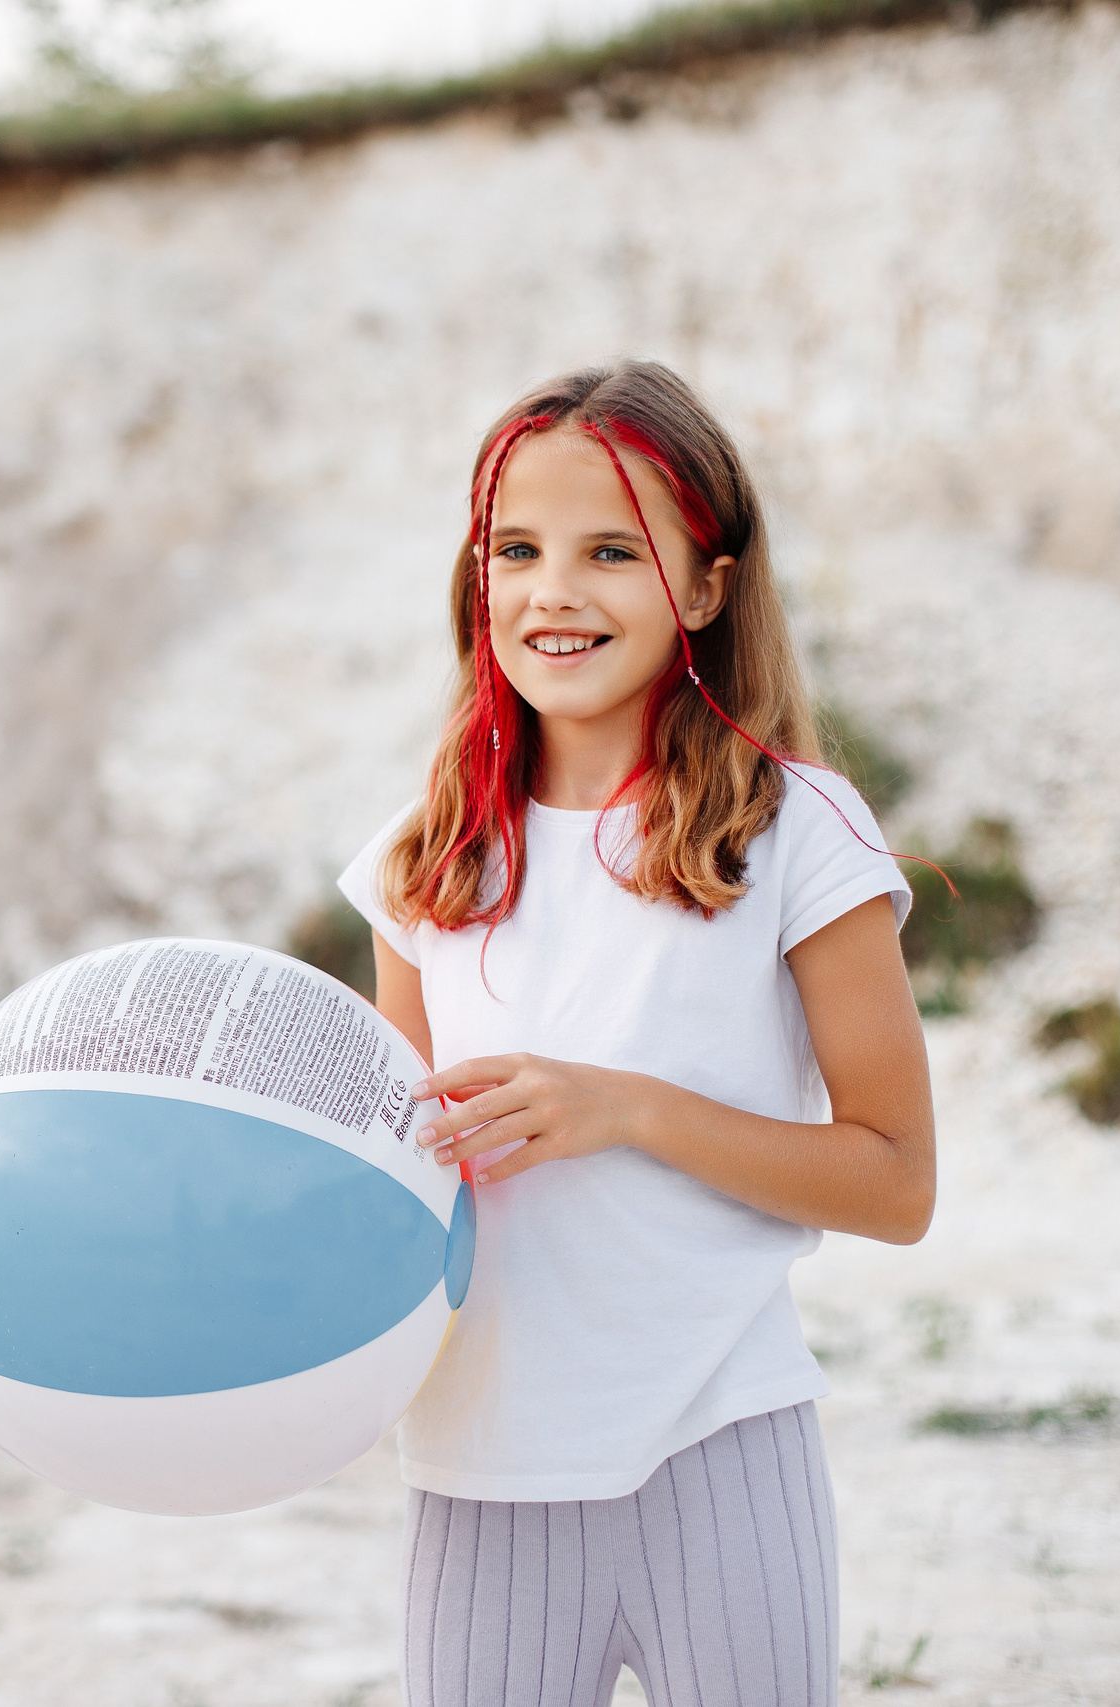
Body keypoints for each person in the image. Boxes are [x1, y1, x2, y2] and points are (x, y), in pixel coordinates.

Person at [336, 362, 935, 1707]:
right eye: (518, 549)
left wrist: (627, 1106)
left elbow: (897, 1179)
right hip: (478, 1467)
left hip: (722, 1441)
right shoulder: (420, 861)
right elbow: (400, 1194)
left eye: (613, 550)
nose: (555, 590)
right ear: (476, 574)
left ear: (708, 585)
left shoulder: (796, 835)